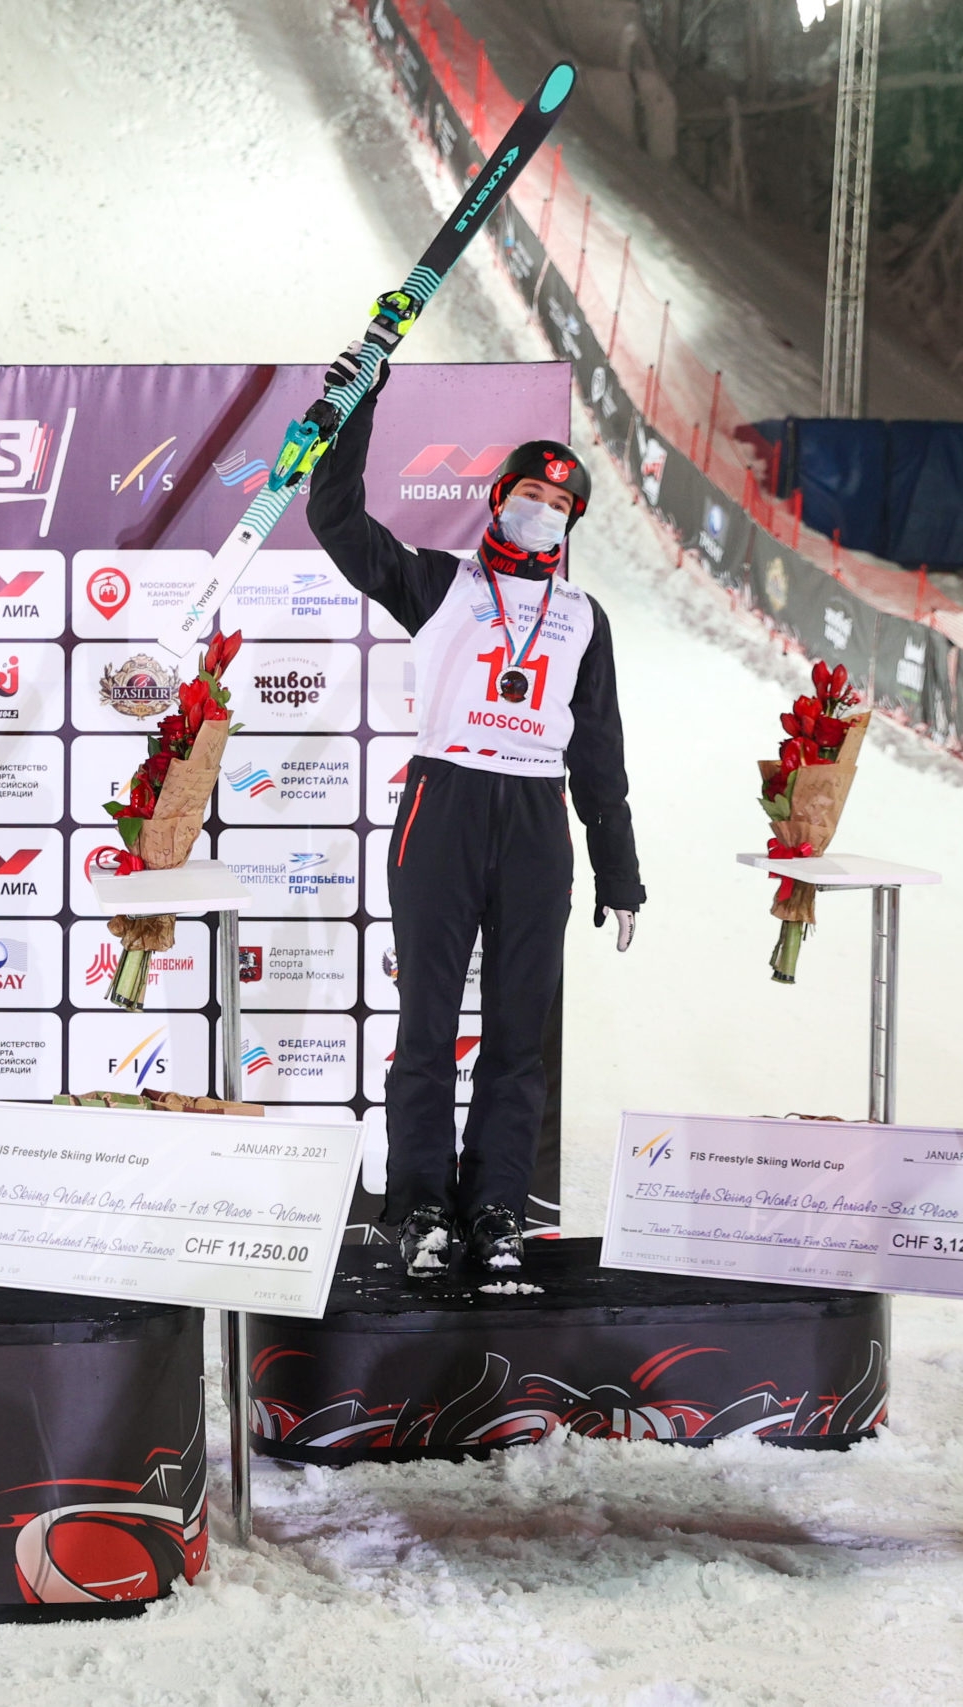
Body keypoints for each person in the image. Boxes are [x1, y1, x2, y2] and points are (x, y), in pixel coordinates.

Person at [306, 358, 642, 1279]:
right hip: (443, 804)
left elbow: (599, 754)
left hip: (535, 815)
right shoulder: (440, 583)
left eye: (560, 504)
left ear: (572, 523)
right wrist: (356, 403)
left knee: (518, 1032)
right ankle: (420, 1205)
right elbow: (336, 521)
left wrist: (619, 871)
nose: (544, 510)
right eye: (531, 493)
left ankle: (497, 1206)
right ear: (499, 500)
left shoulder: (583, 618)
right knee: (426, 1023)